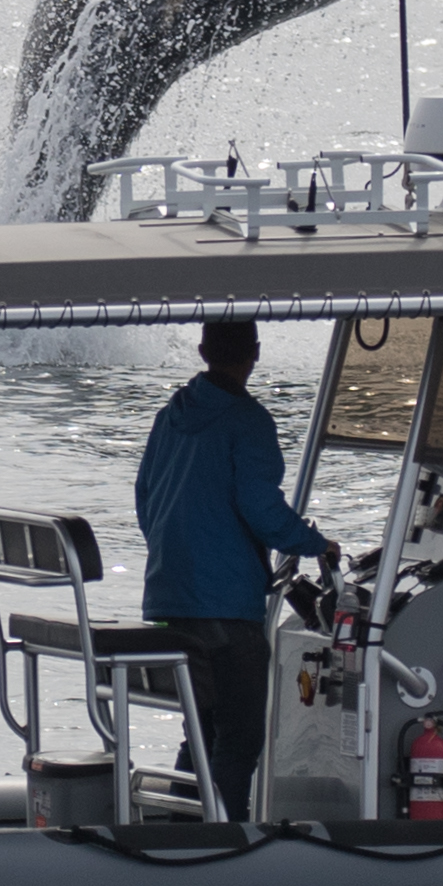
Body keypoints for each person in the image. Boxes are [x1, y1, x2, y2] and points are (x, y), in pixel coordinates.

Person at [132, 317, 337, 821]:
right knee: (240, 733)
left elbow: (144, 498)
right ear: (256, 352)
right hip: (225, 604)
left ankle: (181, 834)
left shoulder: (170, 416)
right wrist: (315, 543)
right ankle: (222, 843)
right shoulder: (248, 421)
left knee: (199, 730)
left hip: (169, 597)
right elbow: (260, 507)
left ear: (202, 350)